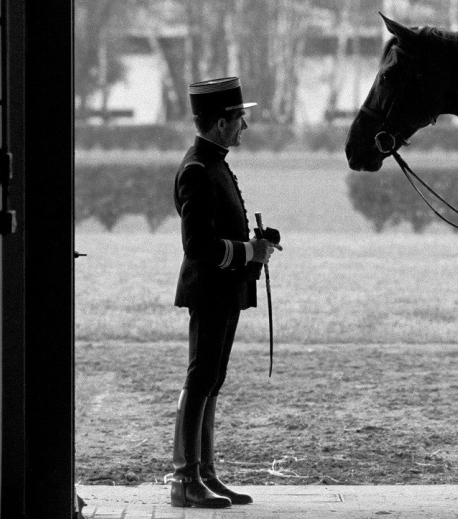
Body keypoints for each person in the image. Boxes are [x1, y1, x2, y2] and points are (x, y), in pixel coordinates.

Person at [169, 77, 279, 508]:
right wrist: (248, 250)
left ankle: (204, 473)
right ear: (219, 124)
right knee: (200, 378)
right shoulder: (198, 168)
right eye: (238, 118)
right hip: (209, 288)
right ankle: (185, 478)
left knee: (212, 379)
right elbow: (197, 246)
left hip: (224, 287)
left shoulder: (211, 162)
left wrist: (254, 246)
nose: (244, 126)